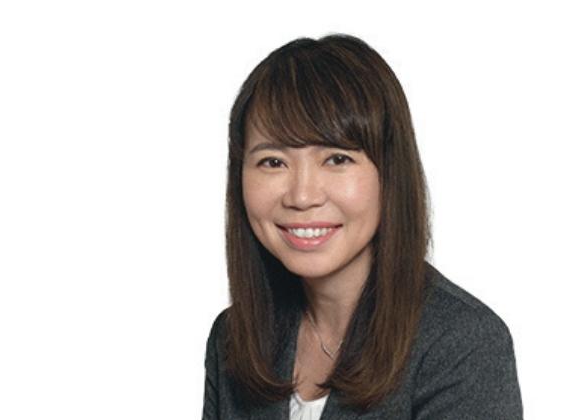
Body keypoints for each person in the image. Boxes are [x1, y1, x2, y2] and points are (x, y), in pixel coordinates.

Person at [202, 33, 523, 420]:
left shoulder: (461, 344)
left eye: (337, 159)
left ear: (389, 174)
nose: (302, 196)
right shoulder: (232, 338)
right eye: (273, 162)